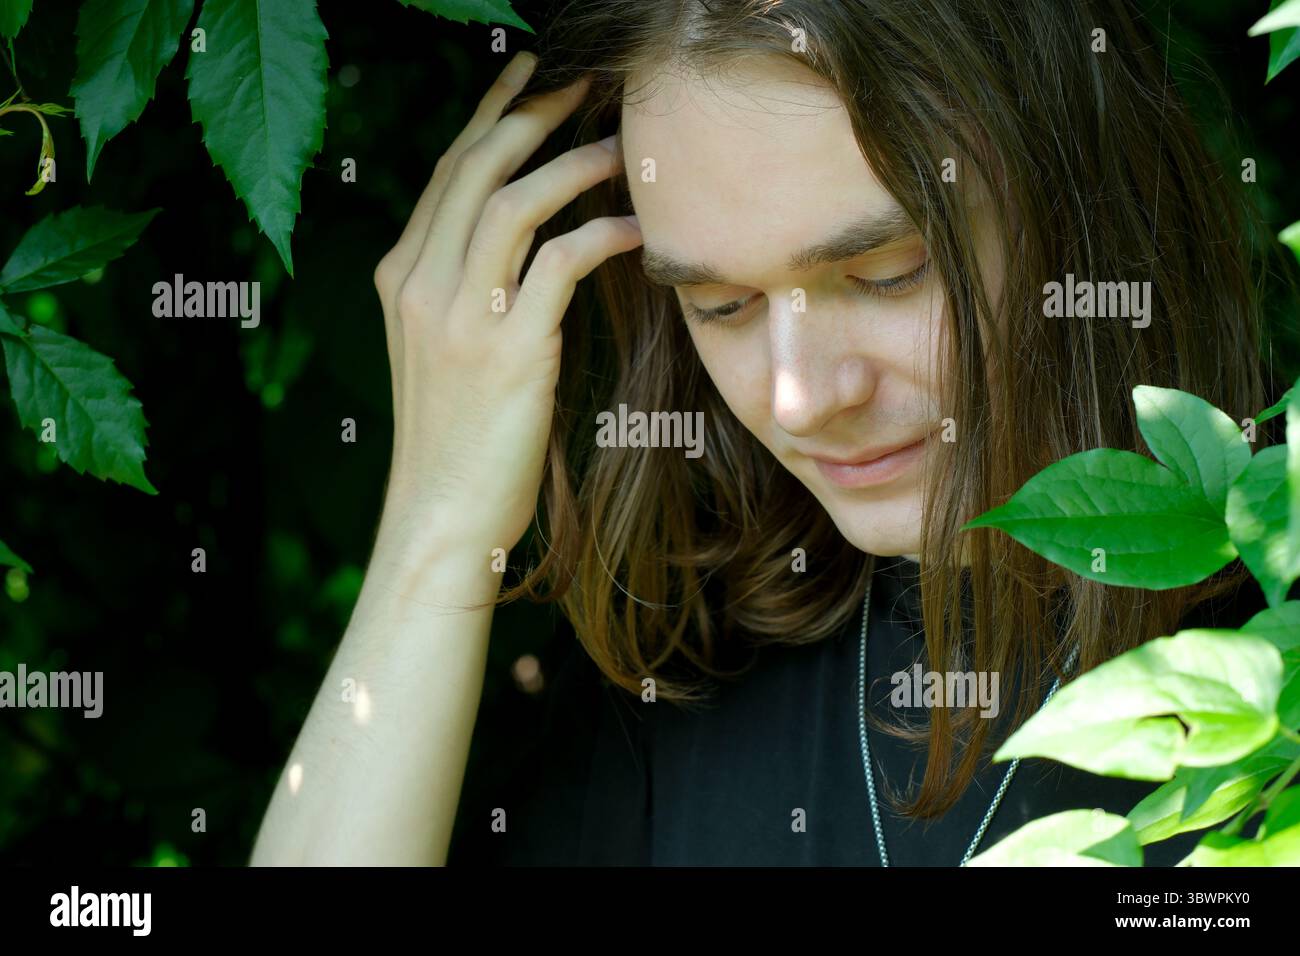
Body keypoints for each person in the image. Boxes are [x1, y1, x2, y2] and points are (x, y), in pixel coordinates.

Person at [251, 0, 1284, 866]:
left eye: (886, 274)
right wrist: (432, 539)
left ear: (1081, 203)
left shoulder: (1273, 626)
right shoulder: (681, 669)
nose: (796, 399)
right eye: (721, 305)